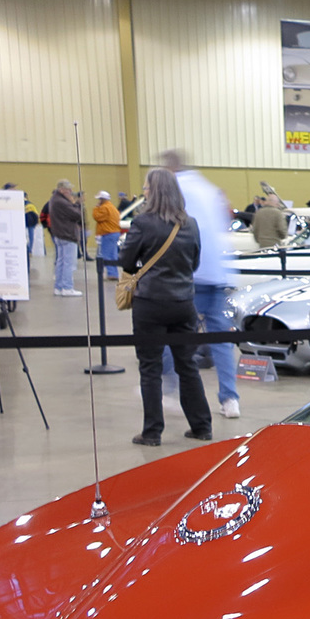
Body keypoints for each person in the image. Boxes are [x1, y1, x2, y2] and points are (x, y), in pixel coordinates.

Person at [120, 167, 211, 447]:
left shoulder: (143, 222)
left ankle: (152, 432)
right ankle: (202, 426)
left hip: (150, 303)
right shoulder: (191, 223)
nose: (144, 192)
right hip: (184, 302)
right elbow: (194, 263)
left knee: (150, 368)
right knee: (188, 366)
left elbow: (126, 261)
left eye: (146, 188)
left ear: (153, 191)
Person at [161, 149, 240, 420]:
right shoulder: (209, 188)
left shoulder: (173, 189)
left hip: (190, 276)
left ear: (169, 169)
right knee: (221, 341)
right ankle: (230, 399)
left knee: (175, 336)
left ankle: (166, 388)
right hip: (218, 274)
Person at [48, 179, 84, 296]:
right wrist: (77, 204)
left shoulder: (54, 200)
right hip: (67, 234)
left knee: (61, 262)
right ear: (62, 190)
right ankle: (67, 287)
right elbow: (77, 215)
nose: (71, 191)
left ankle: (58, 287)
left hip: (59, 234)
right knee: (69, 262)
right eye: (68, 189)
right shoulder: (62, 202)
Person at [92, 191, 122, 280]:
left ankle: (112, 274)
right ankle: (114, 273)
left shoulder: (104, 208)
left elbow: (97, 217)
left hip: (108, 233)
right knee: (113, 254)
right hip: (114, 233)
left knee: (107, 255)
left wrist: (96, 208)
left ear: (102, 199)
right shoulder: (112, 207)